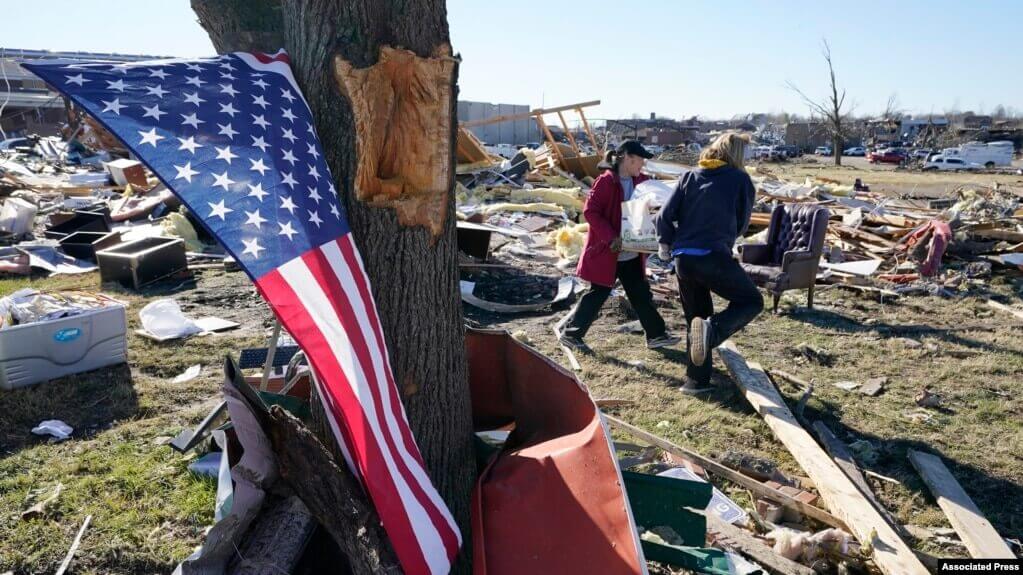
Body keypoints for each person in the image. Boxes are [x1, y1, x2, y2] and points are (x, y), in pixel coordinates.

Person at [656, 133, 764, 394]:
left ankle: (695, 382)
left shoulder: (690, 176)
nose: (749, 157)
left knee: (696, 317)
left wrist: (664, 243)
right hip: (712, 256)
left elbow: (664, 215)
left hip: (683, 260)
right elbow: (742, 222)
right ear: (737, 153)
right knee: (751, 302)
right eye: (747, 152)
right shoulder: (740, 180)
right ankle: (712, 333)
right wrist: (727, 237)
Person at [557, 140, 681, 352]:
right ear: (628, 158)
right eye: (640, 160)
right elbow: (591, 212)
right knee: (598, 294)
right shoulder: (606, 181)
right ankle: (572, 334)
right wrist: (611, 237)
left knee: (641, 293)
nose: (642, 165)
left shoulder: (641, 181)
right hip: (609, 252)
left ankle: (656, 335)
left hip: (631, 251)